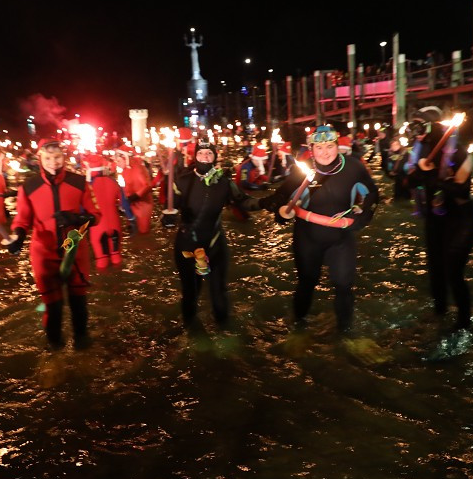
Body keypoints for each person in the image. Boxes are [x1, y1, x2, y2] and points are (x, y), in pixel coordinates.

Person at [258, 126, 379, 333]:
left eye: (330, 146)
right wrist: (279, 212)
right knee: (306, 282)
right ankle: (298, 329)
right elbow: (281, 196)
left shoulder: (353, 167)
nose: (325, 152)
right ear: (311, 149)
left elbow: (373, 195)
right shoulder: (302, 170)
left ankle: (345, 334)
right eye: (319, 147)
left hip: (341, 237)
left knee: (344, 285)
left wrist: (365, 216)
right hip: (308, 238)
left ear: (337, 147)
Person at [5, 137, 102, 348]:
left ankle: (83, 349)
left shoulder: (78, 182)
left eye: (57, 157)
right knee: (53, 307)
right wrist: (18, 236)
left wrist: (77, 219)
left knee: (79, 304)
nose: (53, 162)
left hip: (75, 252)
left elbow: (96, 215)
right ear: (40, 158)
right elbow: (22, 219)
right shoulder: (29, 187)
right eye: (48, 157)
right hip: (44, 253)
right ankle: (54, 351)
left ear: (64, 157)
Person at [171, 141, 262, 327]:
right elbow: (171, 205)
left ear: (215, 157)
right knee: (190, 293)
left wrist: (268, 203)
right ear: (194, 156)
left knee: (219, 293)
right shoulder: (182, 180)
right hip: (187, 245)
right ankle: (191, 335)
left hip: (215, 245)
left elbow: (243, 202)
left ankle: (225, 339)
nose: (205, 156)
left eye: (209, 154)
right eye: (201, 153)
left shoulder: (224, 183)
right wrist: (169, 218)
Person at [409, 120, 473, 331]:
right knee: (435, 270)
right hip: (435, 219)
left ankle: (464, 323)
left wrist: (433, 179)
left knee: (453, 271)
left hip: (460, 220)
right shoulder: (421, 150)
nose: (419, 136)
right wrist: (419, 172)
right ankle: (439, 312)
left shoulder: (460, 153)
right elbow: (409, 183)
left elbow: (462, 192)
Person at [81, 153, 123, 269]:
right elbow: (124, 204)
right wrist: (132, 219)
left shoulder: (87, 186)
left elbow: (81, 209)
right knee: (116, 258)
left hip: (97, 227)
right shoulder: (113, 182)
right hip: (115, 225)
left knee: (102, 261)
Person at [115, 146, 153, 234]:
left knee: (143, 231)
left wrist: (135, 196)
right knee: (133, 229)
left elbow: (147, 185)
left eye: (119, 161)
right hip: (132, 204)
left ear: (126, 159)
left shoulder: (138, 169)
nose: (117, 164)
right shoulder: (125, 171)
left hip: (143, 205)